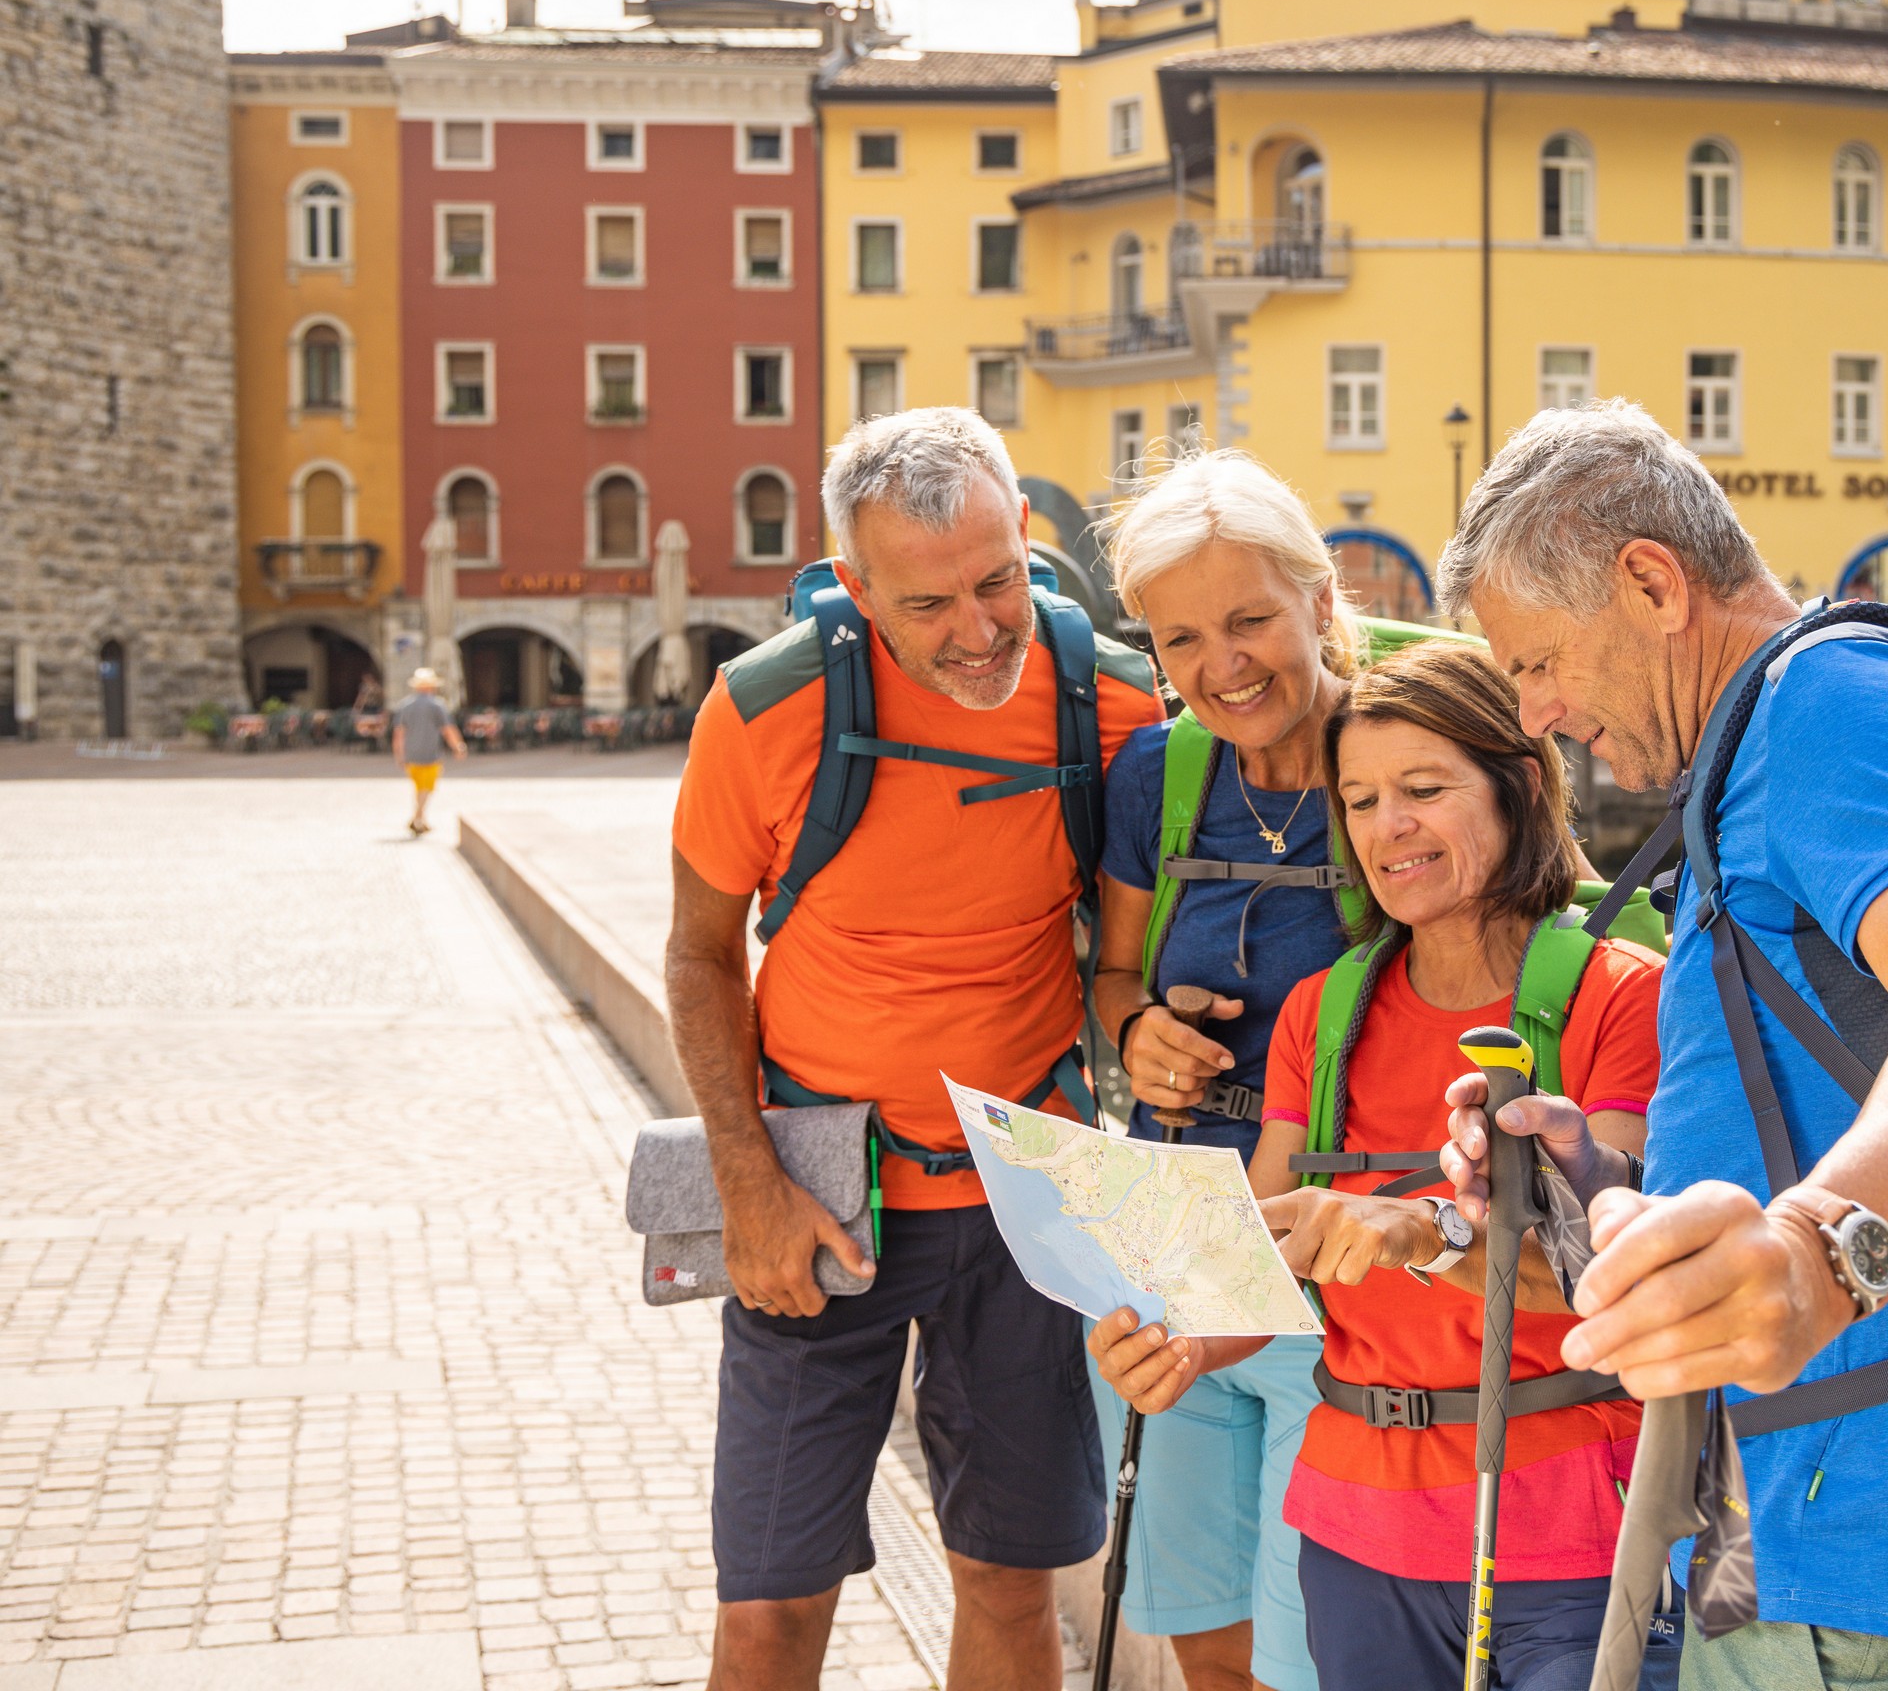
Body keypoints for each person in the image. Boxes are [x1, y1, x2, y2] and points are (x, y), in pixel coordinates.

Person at [1437, 402, 1888, 1690]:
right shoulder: (1767, 738)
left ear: (1650, 582)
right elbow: (1806, 1096)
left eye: (1537, 663)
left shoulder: (1828, 702)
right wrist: (1591, 1163)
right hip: (1842, 1543)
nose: (1534, 715)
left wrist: (1819, 1256)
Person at [665, 408, 1164, 1691]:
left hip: (1026, 1194)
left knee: (1010, 1591)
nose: (980, 628)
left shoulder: (1104, 698)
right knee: (768, 1613)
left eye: (999, 579)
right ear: (854, 583)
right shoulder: (763, 710)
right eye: (930, 602)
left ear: (1027, 540)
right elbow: (700, 955)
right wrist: (746, 1186)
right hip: (818, 1193)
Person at [1091, 641, 1673, 1691]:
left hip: (1570, 1536)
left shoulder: (1622, 995)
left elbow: (1617, 1280)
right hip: (1357, 1540)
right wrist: (1172, 1342)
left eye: (1422, 789)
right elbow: (1254, 1269)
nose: (1384, 827)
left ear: (1522, 787)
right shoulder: (1322, 1009)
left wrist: (1428, 1234)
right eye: (1357, 799)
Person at [1087, 451, 1355, 1691]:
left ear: (1319, 596)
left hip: (1332, 1251)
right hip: (1169, 1233)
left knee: (1318, 1649)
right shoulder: (1156, 774)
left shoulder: (1405, 759)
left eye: (1250, 619)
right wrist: (1138, 1031)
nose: (1222, 664)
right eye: (1181, 637)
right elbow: (1113, 978)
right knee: (1204, 1632)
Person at [388, 666, 462, 834]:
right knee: (425, 788)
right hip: (430, 753)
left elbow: (398, 733)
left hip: (411, 754)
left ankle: (421, 819)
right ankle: (417, 818)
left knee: (419, 788)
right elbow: (448, 729)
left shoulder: (406, 706)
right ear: (431, 687)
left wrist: (399, 755)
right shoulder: (437, 705)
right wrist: (458, 746)